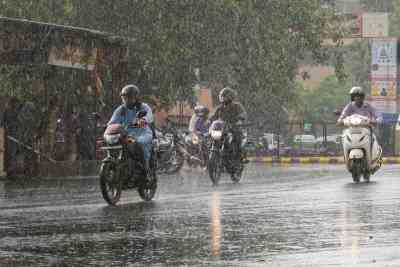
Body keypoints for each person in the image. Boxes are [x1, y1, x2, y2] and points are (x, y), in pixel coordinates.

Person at [107, 84, 154, 174]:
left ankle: (146, 169)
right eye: (124, 98)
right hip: (127, 134)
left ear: (135, 98)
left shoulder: (143, 107)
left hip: (143, 133)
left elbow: (149, 116)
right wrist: (109, 127)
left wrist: (143, 120)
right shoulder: (120, 110)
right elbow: (112, 122)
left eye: (129, 98)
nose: (126, 100)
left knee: (139, 143)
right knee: (116, 143)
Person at [209, 87, 248, 163]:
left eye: (225, 96)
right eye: (222, 96)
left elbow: (243, 114)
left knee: (237, 139)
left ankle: (241, 157)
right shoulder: (219, 108)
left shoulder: (237, 106)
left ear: (230, 96)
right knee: (211, 139)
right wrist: (209, 120)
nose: (223, 98)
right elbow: (213, 116)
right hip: (222, 129)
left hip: (234, 128)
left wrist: (240, 119)